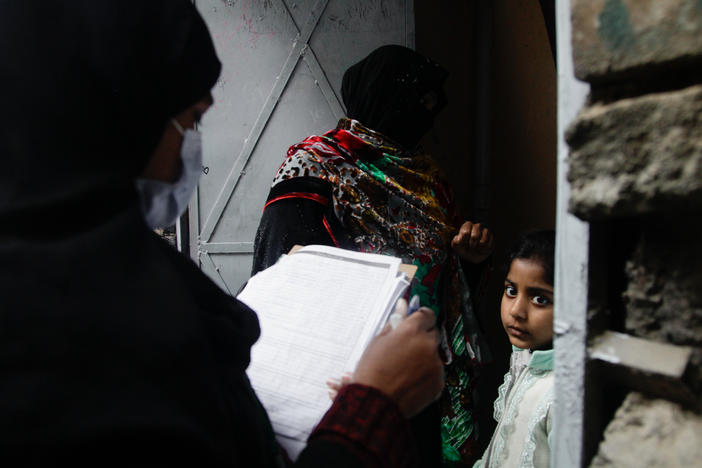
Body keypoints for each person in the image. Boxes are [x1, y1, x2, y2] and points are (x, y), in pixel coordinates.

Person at [0, 2, 444, 466]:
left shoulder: (102, 270)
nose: (191, 151)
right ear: (110, 121)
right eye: (190, 121)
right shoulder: (79, 341)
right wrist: (374, 408)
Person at [252, 45, 494, 466]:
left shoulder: (429, 177)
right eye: (420, 100)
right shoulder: (318, 163)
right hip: (347, 376)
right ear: (383, 96)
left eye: (433, 103)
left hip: (422, 361)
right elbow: (287, 270)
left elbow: (443, 273)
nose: (429, 113)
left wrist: (468, 258)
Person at [473, 230, 556, 468]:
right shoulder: (523, 359)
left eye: (540, 299)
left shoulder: (561, 394)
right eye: (511, 291)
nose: (516, 311)